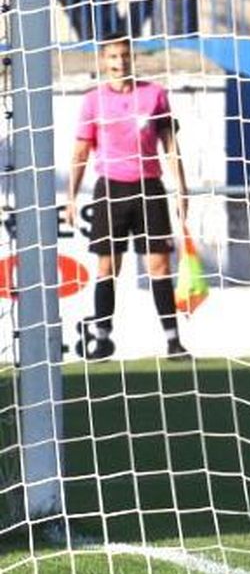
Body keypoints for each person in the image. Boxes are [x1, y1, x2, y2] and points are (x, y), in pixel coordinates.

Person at [65, 33, 191, 360]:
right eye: (113, 57)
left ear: (132, 59)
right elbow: (80, 151)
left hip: (149, 187)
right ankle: (102, 339)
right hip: (111, 188)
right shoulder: (93, 101)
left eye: (124, 56)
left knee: (160, 266)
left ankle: (173, 340)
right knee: (108, 266)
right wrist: (71, 197)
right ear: (103, 61)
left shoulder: (155, 95)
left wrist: (182, 189)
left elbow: (170, 146)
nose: (119, 62)